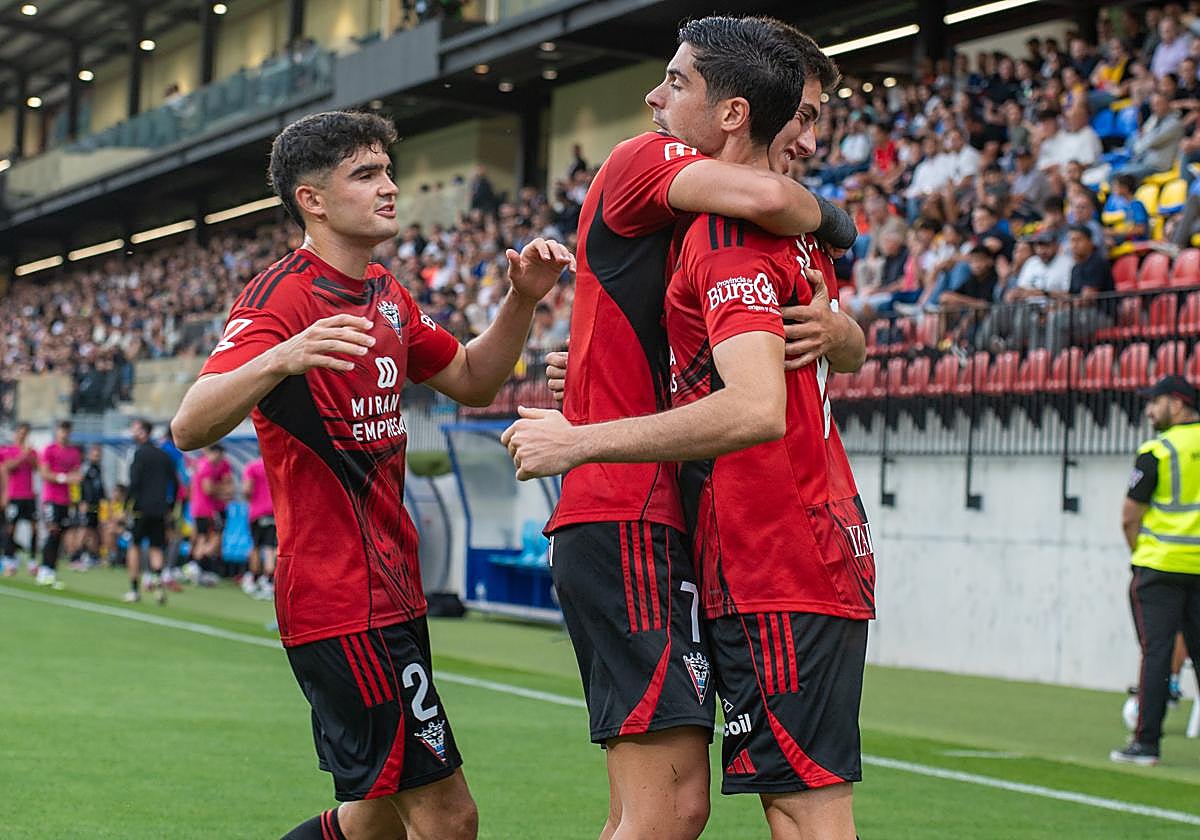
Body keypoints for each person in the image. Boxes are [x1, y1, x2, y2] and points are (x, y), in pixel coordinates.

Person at [503, 40, 873, 838]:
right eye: (800, 115)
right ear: (750, 113)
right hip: (632, 510)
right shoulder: (671, 174)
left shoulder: (734, 230)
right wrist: (841, 219)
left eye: (676, 81)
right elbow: (772, 208)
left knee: (672, 809)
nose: (807, 138)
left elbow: (778, 362)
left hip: (708, 521)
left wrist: (843, 333)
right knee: (670, 810)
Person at [171, 109, 572, 840]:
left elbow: (476, 380)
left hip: (395, 590)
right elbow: (190, 425)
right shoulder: (279, 298)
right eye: (366, 174)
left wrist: (522, 297)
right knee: (449, 819)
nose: (389, 187)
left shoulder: (387, 290)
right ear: (312, 200)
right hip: (339, 599)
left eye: (387, 170)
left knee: (376, 820)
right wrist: (280, 358)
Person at [1114, 376, 1200, 765]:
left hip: (1160, 569)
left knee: (1157, 654)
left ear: (1178, 405)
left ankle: (1147, 744)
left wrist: (1140, 555)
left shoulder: (1157, 451)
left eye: (1156, 402)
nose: (1149, 410)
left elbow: (1129, 517)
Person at [123, 419, 178, 604]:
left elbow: (134, 482)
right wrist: (169, 507)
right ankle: (159, 588)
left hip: (140, 509)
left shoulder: (139, 454)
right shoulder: (164, 456)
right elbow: (176, 483)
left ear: (144, 432)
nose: (133, 433)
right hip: (160, 509)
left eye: (135, 429)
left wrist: (125, 507)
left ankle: (134, 589)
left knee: (135, 546)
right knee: (156, 547)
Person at [187, 444, 232, 583]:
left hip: (201, 509)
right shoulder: (206, 465)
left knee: (203, 537)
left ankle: (196, 567)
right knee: (212, 539)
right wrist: (222, 491)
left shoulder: (205, 464)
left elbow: (229, 487)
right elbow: (209, 489)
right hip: (208, 510)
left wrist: (219, 489)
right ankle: (196, 565)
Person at [1, 422, 38, 575]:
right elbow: (7, 467)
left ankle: (33, 561)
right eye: (20, 432)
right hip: (14, 495)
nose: (23, 435)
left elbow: (37, 467)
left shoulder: (32, 452)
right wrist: (23, 455)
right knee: (11, 529)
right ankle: (9, 561)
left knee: (34, 528)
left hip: (29, 495)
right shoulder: (8, 450)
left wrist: (28, 455)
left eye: (25, 432)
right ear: (16, 433)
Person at [242, 454, 276, 600]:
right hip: (275, 512)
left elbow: (247, 490)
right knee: (271, 548)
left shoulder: (252, 466)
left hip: (257, 512)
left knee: (255, 546)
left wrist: (252, 501)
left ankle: (253, 578)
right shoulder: (276, 465)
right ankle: (268, 580)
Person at [71, 443, 105, 569]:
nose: (97, 456)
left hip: (95, 505)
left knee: (93, 530)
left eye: (98, 454)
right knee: (83, 529)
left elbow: (100, 487)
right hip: (86, 504)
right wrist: (82, 501)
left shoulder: (98, 468)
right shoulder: (86, 467)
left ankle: (93, 556)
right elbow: (82, 485)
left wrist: (102, 500)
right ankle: (75, 556)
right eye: (95, 454)